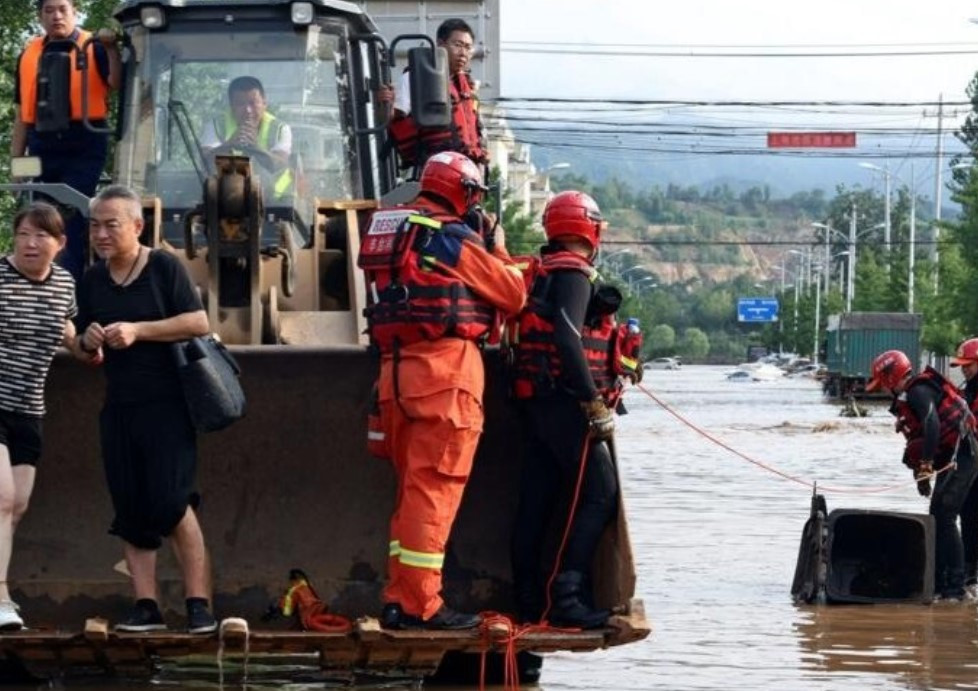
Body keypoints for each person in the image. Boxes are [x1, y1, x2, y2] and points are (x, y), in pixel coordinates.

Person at [358, 151, 525, 629]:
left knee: (412, 495)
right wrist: (496, 245)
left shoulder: (395, 232)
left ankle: (398, 597)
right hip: (444, 379)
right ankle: (419, 606)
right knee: (434, 494)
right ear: (464, 193)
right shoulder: (451, 238)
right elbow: (512, 295)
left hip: (394, 378)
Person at [74, 185, 217, 633]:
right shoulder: (92, 279)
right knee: (130, 507)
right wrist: (88, 342)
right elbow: (80, 347)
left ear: (137, 226)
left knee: (173, 502)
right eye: (95, 225)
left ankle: (199, 605)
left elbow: (198, 322)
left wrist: (139, 330)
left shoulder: (163, 267)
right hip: (119, 407)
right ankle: (147, 607)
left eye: (110, 225)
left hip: (167, 406)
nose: (100, 234)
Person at [508, 191, 625, 629]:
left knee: (537, 500)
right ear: (590, 228)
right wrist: (593, 402)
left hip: (535, 402)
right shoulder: (574, 274)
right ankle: (566, 598)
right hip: (562, 403)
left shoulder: (540, 272)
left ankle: (526, 600)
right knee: (601, 493)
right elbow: (568, 339)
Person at [0, 203, 97, 630]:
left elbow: (68, 336)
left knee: (17, 506)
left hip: (29, 406)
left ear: (60, 245)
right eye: (23, 234)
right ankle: (1, 598)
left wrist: (90, 347)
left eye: (41, 236)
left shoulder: (63, 284)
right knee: (2, 499)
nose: (30, 243)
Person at [11, 0, 121, 281]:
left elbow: (115, 82)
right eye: (49, 11)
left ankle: (65, 287)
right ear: (40, 16)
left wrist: (110, 49)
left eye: (62, 9)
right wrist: (17, 163)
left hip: (83, 141)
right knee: (37, 217)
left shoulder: (93, 46)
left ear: (75, 12)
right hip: (41, 143)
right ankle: (35, 284)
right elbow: (23, 114)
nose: (56, 16)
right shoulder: (28, 53)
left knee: (69, 218)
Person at [868, 349, 978, 601]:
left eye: (882, 384)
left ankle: (956, 588)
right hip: (956, 456)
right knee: (938, 516)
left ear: (890, 378)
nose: (883, 390)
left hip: (964, 454)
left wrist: (927, 464)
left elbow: (931, 423)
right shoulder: (912, 394)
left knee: (945, 516)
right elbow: (924, 435)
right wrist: (922, 473)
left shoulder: (918, 390)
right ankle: (942, 583)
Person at [382, 18, 488, 173]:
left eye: (468, 47)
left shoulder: (467, 88)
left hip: (465, 173)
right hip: (432, 170)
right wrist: (384, 103)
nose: (463, 53)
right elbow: (390, 118)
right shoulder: (416, 77)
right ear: (440, 44)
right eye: (457, 45)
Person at [199, 76, 294, 199]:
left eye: (253, 103)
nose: (248, 110)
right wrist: (230, 144)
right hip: (224, 201)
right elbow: (205, 162)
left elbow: (279, 165)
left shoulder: (280, 129)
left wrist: (255, 147)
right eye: (240, 104)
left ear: (264, 103)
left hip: (275, 201)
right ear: (231, 106)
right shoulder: (215, 126)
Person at [951, 337, 978, 592]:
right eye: (962, 365)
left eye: (969, 364)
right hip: (970, 464)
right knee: (967, 515)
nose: (964, 368)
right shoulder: (966, 389)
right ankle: (969, 570)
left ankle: (971, 570)